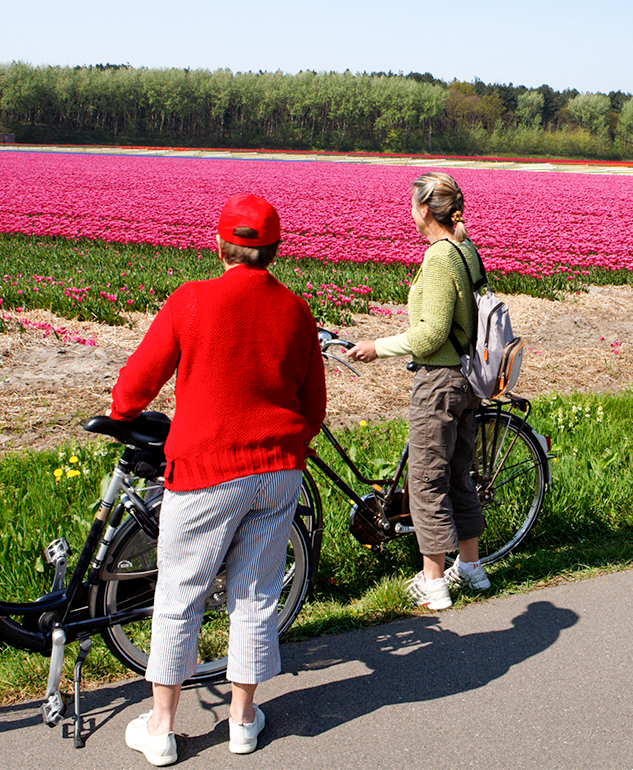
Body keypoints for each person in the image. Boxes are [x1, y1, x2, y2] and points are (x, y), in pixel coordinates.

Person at [113, 194, 326, 765]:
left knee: (180, 594)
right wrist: (286, 447)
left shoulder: (192, 300)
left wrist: (122, 410)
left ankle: (161, 728)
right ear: (275, 251)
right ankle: (242, 722)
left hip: (206, 470)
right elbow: (315, 406)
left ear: (218, 244)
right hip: (278, 471)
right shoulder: (297, 311)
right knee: (254, 597)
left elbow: (138, 380)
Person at [345, 170, 488, 610]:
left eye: (412, 204)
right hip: (467, 380)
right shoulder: (466, 248)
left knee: (426, 480)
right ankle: (471, 569)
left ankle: (433, 582)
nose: (410, 211)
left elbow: (429, 336)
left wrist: (376, 347)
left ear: (425, 210)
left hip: (439, 382)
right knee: (459, 474)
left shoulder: (441, 256)